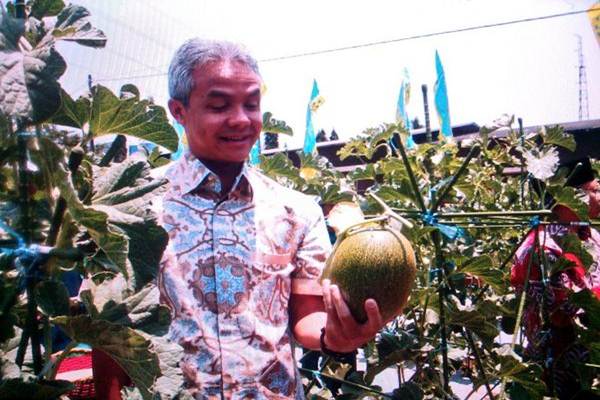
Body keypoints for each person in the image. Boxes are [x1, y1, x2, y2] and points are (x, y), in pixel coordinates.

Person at [157, 38, 385, 399]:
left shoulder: (296, 212)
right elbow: (115, 333)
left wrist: (334, 336)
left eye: (252, 104)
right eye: (218, 105)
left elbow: (307, 315)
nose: (241, 120)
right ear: (178, 111)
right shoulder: (139, 207)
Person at [510, 157, 600, 400]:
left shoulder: (587, 234)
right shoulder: (544, 248)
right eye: (595, 190)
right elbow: (562, 318)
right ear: (571, 197)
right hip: (563, 370)